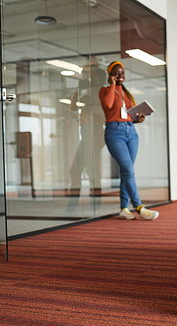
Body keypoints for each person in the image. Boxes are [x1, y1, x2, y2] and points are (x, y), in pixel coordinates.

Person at [99, 61, 159, 220]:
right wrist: (112, 85)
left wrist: (137, 119)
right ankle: (139, 207)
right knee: (129, 171)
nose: (120, 76)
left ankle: (124, 208)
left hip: (131, 132)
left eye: (122, 73)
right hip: (114, 132)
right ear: (110, 75)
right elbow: (108, 104)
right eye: (117, 73)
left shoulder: (127, 94)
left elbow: (128, 115)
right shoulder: (105, 90)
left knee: (126, 171)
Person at [66, 58, 107, 211]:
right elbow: (72, 109)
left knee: (91, 172)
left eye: (86, 73)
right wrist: (78, 89)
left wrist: (89, 117)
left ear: (95, 77)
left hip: (95, 134)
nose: (83, 76)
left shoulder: (100, 92)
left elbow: (106, 116)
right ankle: (75, 207)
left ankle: (91, 207)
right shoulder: (85, 92)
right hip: (86, 134)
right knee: (80, 171)